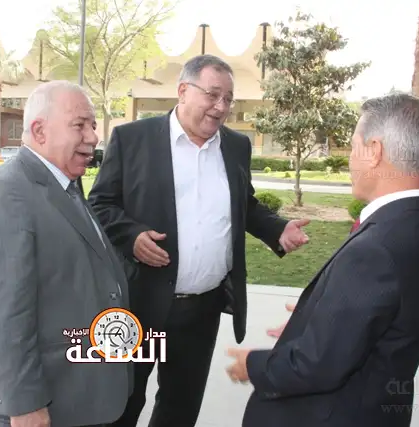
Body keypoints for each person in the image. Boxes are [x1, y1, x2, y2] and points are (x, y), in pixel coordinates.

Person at [87, 54, 310, 427]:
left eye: (228, 99)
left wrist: (277, 229)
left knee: (180, 408)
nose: (221, 106)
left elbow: (244, 204)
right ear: (183, 91)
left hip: (201, 310)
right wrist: (132, 236)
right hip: (139, 303)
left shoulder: (236, 146)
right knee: (120, 403)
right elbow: (100, 203)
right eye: (212, 94)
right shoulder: (132, 139)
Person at [226, 93, 419, 427]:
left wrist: (253, 365)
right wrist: (316, 316)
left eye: (353, 146)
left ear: (374, 151)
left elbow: (318, 365)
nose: (350, 160)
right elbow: (379, 317)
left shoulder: (376, 248)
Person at [0, 80, 132, 427]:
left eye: (93, 125)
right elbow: (5, 315)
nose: (93, 137)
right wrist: (25, 405)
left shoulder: (66, 185)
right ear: (40, 131)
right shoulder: (3, 194)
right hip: (44, 406)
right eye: (79, 125)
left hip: (82, 395)